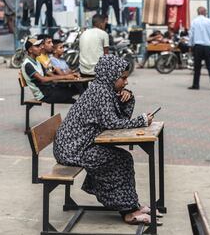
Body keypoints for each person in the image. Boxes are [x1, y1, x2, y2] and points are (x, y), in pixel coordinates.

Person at [53, 55, 160, 225]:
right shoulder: (101, 92)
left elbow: (118, 117)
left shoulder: (103, 89)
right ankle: (128, 211)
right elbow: (113, 124)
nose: (126, 82)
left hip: (78, 146)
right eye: (123, 78)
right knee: (120, 160)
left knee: (122, 159)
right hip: (72, 150)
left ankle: (132, 205)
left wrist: (127, 96)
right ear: (110, 76)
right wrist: (141, 120)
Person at [21, 38, 80, 104]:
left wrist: (68, 75)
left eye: (40, 45)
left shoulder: (37, 62)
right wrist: (65, 77)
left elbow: (50, 74)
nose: (41, 47)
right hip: (44, 95)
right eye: (37, 46)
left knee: (77, 89)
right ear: (30, 50)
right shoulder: (27, 64)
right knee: (75, 94)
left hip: (49, 90)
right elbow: (42, 79)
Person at [188, 6, 210, 91]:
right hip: (208, 47)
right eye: (205, 11)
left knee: (197, 67)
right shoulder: (209, 21)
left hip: (198, 47)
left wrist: (190, 45)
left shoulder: (194, 22)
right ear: (204, 12)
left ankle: (195, 85)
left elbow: (191, 34)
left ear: (198, 12)